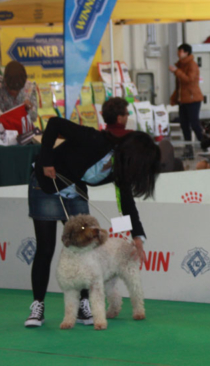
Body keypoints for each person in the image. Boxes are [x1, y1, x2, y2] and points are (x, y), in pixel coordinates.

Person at [25, 117, 161, 328]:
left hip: (75, 191)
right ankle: (38, 306)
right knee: (46, 247)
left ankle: (84, 305)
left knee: (88, 247)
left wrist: (137, 236)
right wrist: (46, 160)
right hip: (46, 184)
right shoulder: (95, 140)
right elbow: (54, 124)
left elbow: (126, 203)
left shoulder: (120, 168)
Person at [169, 44, 204, 154]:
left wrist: (176, 71)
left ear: (186, 53)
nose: (178, 53)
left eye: (180, 51)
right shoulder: (181, 65)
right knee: (184, 126)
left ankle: (205, 145)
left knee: (194, 124)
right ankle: (189, 150)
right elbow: (180, 87)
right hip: (183, 101)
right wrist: (174, 98)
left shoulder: (192, 65)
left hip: (193, 99)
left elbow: (189, 80)